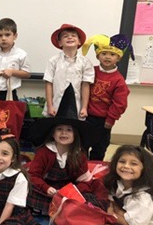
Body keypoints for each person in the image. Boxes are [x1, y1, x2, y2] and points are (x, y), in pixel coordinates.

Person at [26, 85, 107, 215]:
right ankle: (51, 209)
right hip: (46, 188)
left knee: (88, 197)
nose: (64, 133)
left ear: (75, 135)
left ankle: (65, 209)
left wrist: (72, 191)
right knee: (27, 190)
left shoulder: (79, 154)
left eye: (69, 130)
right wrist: (46, 188)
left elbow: (84, 180)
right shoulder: (44, 152)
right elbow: (33, 176)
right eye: (59, 129)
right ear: (53, 133)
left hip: (68, 190)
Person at [81, 34, 132, 160]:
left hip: (103, 121)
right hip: (86, 117)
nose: (107, 57)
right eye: (104, 54)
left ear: (118, 58)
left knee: (99, 148)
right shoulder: (90, 71)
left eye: (112, 54)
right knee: (81, 146)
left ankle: (95, 168)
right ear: (98, 56)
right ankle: (81, 168)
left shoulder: (118, 80)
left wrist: (111, 119)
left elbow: (120, 103)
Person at [43, 23, 94, 120]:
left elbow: (85, 85)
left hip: (76, 106)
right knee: (56, 126)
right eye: (65, 36)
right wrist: (50, 106)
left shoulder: (85, 62)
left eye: (73, 36)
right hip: (56, 105)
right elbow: (48, 83)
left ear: (79, 41)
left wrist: (84, 107)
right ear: (60, 43)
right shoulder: (53, 61)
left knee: (73, 127)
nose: (70, 37)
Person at [0, 18, 31, 101]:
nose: (3, 38)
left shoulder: (21, 54)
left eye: (7, 35)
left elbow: (27, 73)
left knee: (11, 110)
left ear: (15, 36)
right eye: (0, 35)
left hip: (10, 92)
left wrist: (12, 72)